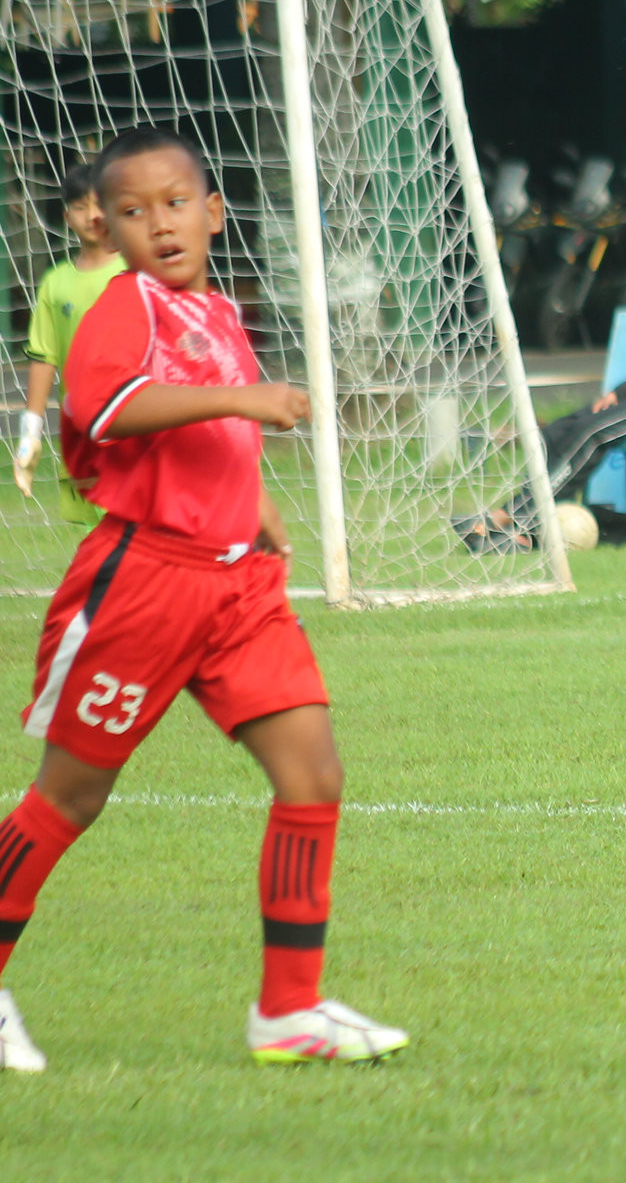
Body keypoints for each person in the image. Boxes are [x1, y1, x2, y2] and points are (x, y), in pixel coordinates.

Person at [0, 127, 407, 1073]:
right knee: (72, 795)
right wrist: (243, 401)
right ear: (107, 226)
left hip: (237, 587)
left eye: (177, 203)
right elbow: (104, 409)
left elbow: (202, 430)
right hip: (142, 585)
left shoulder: (218, 309)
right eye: (133, 211)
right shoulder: (120, 304)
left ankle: (289, 1012)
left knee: (314, 775)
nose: (160, 224)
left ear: (214, 213)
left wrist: (253, 497)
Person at [458, 223, 626, 551]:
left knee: (595, 433)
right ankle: (530, 526)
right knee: (562, 429)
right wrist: (621, 392)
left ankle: (514, 520)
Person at [13, 159, 125, 521]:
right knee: (99, 539)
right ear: (66, 216)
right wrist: (30, 432)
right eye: (81, 206)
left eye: (100, 204)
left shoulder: (137, 271)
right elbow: (44, 357)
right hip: (82, 433)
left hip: (135, 430)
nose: (92, 215)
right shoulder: (54, 283)